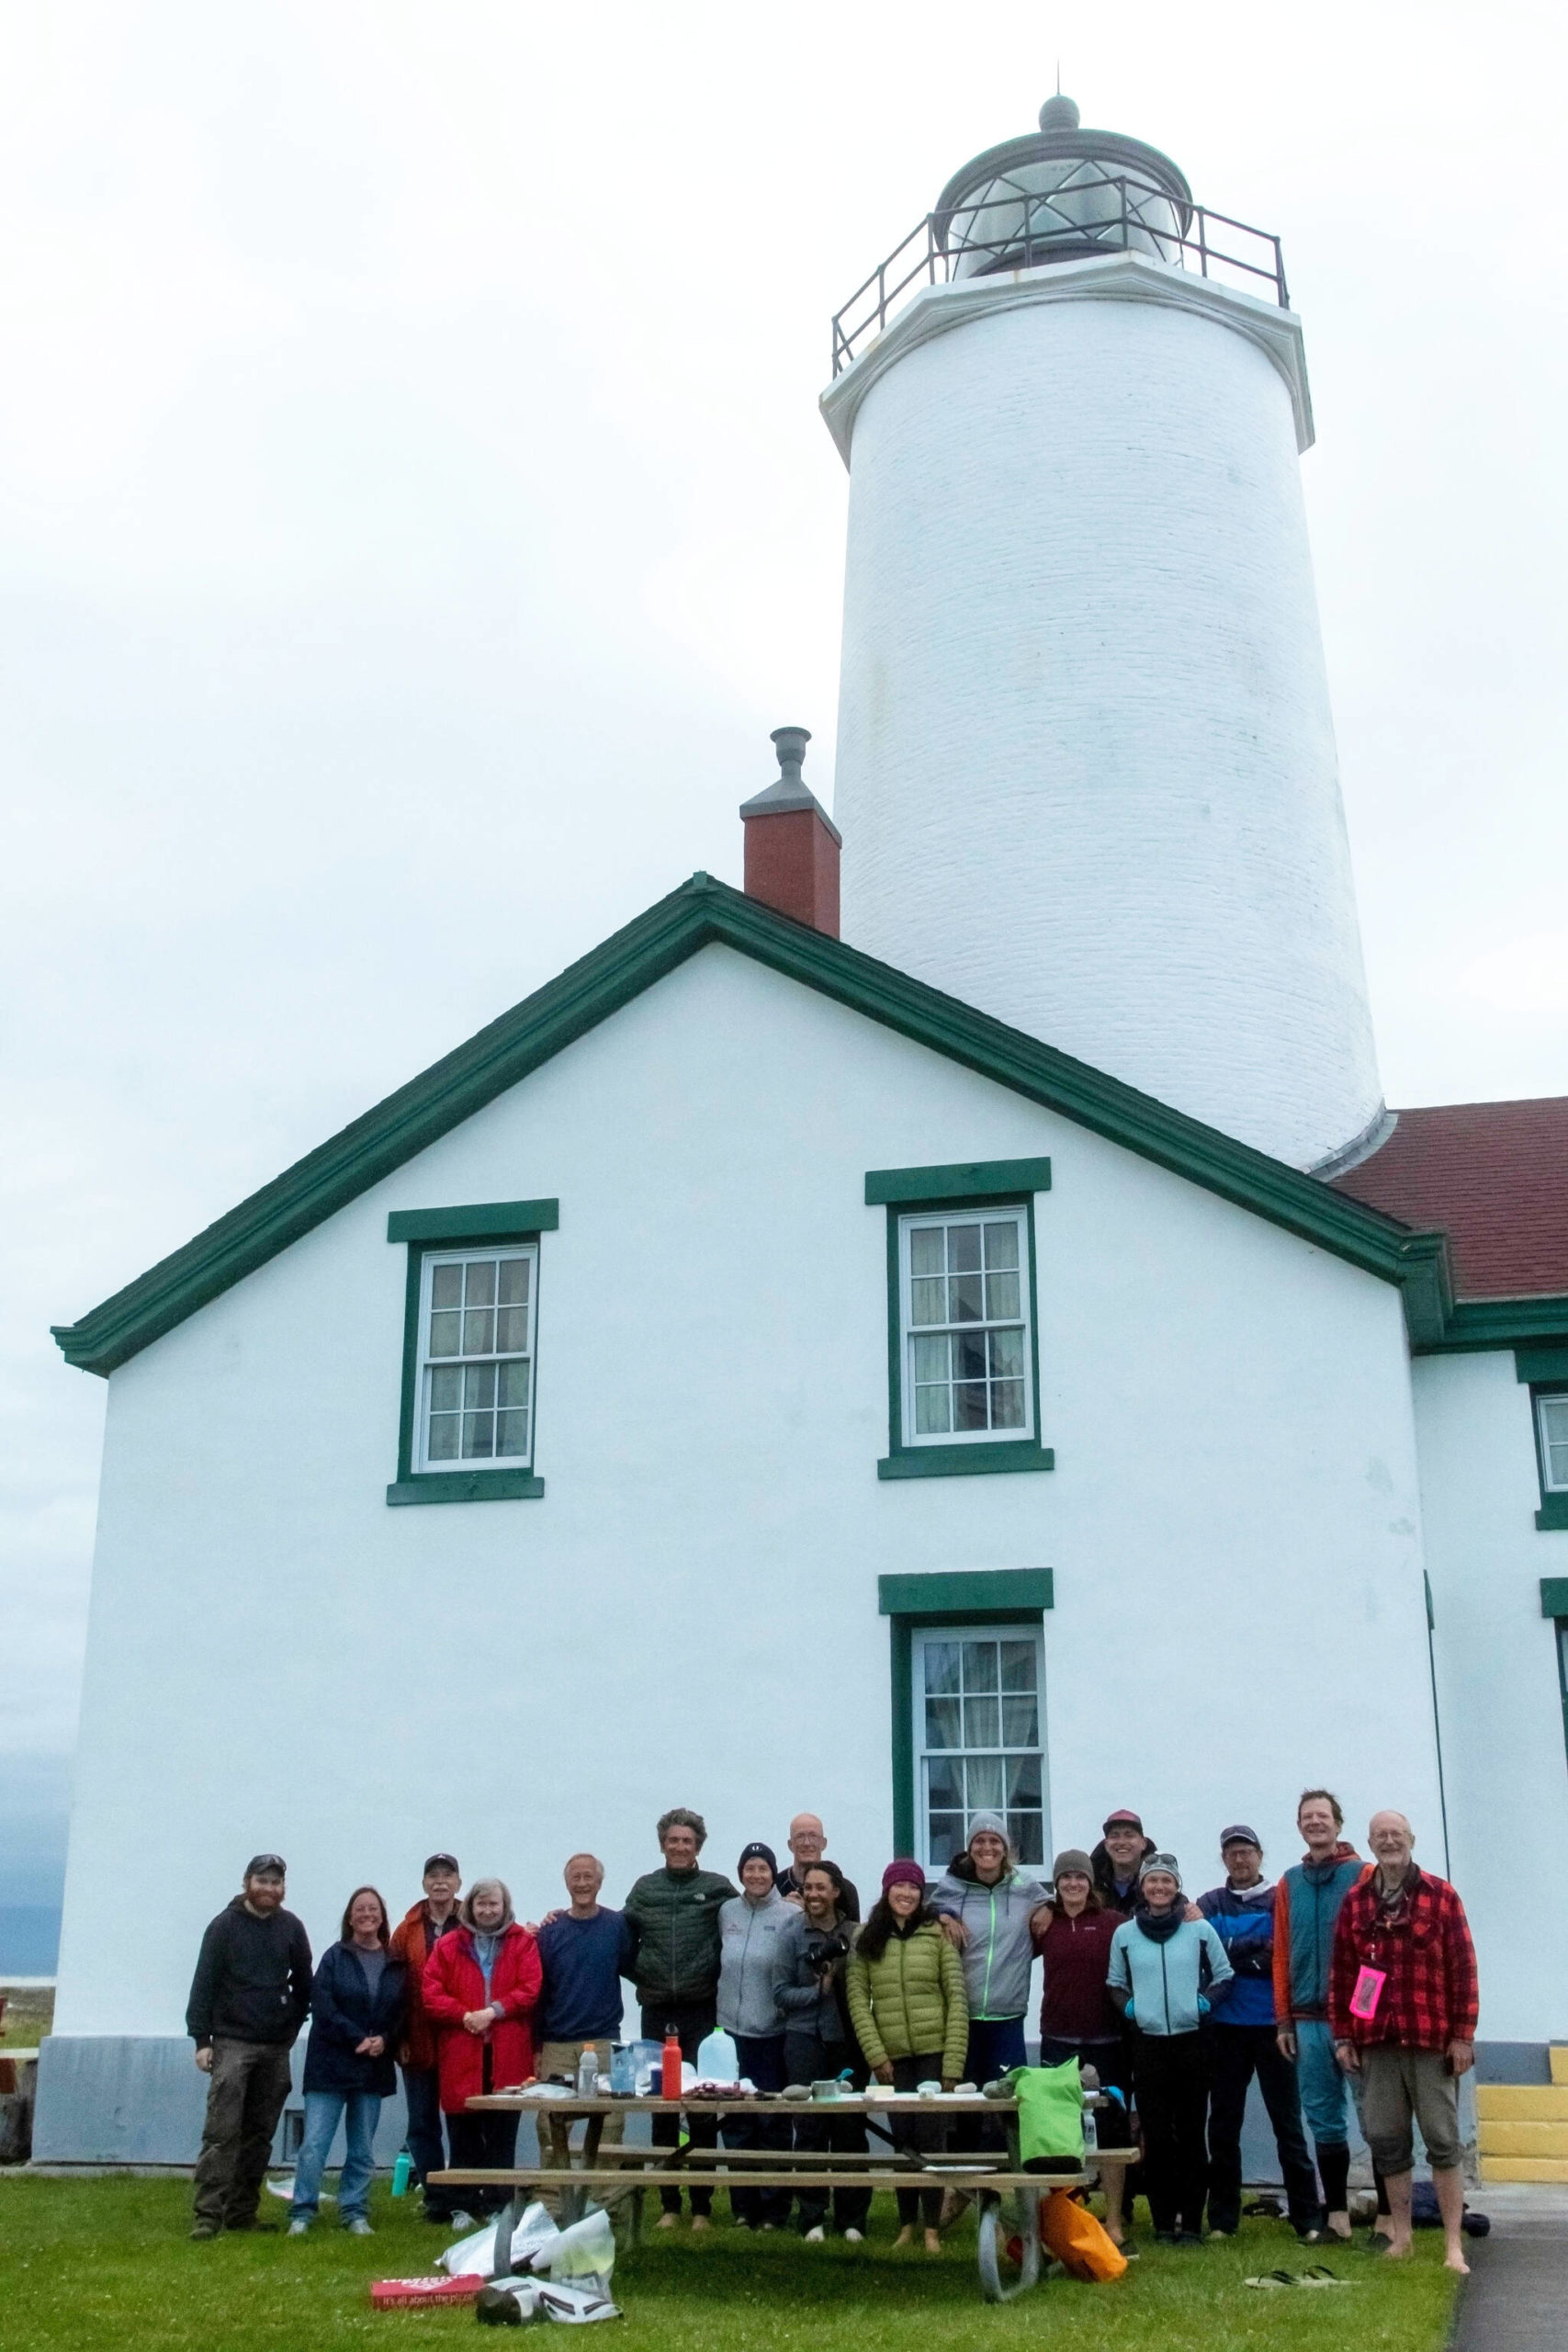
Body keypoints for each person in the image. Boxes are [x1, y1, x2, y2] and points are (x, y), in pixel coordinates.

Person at [1328, 1811, 1479, 2275]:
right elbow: (1342, 1975)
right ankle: (1404, 2239)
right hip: (1377, 2042)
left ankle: (1453, 2245)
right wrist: (1343, 2036)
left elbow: (1464, 1968)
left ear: (1411, 1840)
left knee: (1441, 2140)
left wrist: (1462, 2036)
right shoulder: (1355, 1902)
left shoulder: (1441, 1895)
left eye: (1397, 1834)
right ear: (1370, 1845)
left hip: (1431, 2040)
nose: (1389, 1841)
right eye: (1380, 1836)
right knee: (1388, 2142)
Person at [1198, 1826, 1321, 2240]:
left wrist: (1234, 1952)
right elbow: (1206, 1955)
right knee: (1224, 2127)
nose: (1239, 1859)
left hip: (1274, 2027)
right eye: (1231, 1853)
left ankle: (1307, 2219)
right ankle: (1222, 2221)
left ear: (1259, 1855)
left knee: (1287, 2124)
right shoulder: (1210, 1902)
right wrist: (1248, 1951)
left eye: (1246, 1852)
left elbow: (1279, 1953)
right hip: (1226, 2030)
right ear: (1224, 1859)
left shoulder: (1278, 1898)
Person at [185, 1853, 313, 2240]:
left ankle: (243, 2212)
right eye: (263, 1881)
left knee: (260, 2136)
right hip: (231, 2043)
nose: (269, 1889)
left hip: (275, 2047)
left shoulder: (291, 1927)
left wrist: (292, 2023)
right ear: (247, 1882)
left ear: (283, 1888)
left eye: (276, 1883)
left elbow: (305, 1982)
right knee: (222, 2133)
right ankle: (208, 2215)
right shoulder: (223, 1926)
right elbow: (203, 1982)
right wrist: (201, 2039)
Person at [1108, 1853, 1234, 2245]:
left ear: (1177, 1886)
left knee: (1193, 2136)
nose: (1160, 1888)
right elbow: (1114, 1981)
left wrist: (1204, 2003)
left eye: (1167, 1881)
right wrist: (1130, 2007)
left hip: (1192, 2042)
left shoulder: (1198, 1929)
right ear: (1142, 1888)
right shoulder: (1125, 1934)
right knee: (1157, 2137)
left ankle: (1192, 2223)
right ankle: (1163, 2221)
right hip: (1147, 2045)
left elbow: (1224, 1975)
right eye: (1152, 1881)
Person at [621, 1807, 737, 2231]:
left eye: (687, 1841)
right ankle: (669, 2203)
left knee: (702, 2107)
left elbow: (744, 1921)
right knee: (663, 2108)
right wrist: (644, 1971)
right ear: (662, 1844)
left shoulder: (717, 1887)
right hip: (655, 2010)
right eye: (673, 1840)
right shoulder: (645, 1888)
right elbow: (621, 1937)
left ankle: (702, 2206)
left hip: (701, 2008)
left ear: (698, 1846)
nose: (680, 1847)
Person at [844, 1862, 969, 2254]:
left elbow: (956, 2000)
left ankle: (932, 2227)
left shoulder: (938, 1935)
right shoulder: (866, 1938)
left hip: (934, 2054)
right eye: (899, 1885)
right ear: (886, 1891)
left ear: (921, 1894)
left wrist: (952, 2065)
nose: (907, 1894)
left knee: (931, 2143)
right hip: (892, 2060)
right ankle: (905, 2225)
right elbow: (858, 2002)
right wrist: (876, 2056)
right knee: (902, 2142)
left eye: (913, 1887)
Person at [1272, 1789, 1371, 2241]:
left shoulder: (1363, 1875)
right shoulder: (1289, 1882)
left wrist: (1366, 2015)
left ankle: (1390, 2217)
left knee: (1378, 2117)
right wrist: (1284, 2020)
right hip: (1307, 2020)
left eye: (1323, 1816)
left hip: (1356, 2020)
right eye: (1307, 1817)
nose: (1315, 1823)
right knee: (1323, 2118)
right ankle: (1337, 2217)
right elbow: (1281, 1954)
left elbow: (1377, 1951)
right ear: (1299, 1826)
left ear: (1338, 1823)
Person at [288, 1887, 407, 2236]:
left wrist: (385, 2039)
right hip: (330, 2065)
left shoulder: (394, 1963)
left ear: (382, 1916)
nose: (367, 1914)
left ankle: (354, 2211)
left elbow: (401, 2010)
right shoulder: (334, 1957)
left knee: (362, 2149)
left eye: (373, 1909)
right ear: (350, 1917)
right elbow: (323, 2006)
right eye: (360, 1909)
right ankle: (302, 2211)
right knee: (314, 2145)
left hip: (373, 2066)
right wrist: (357, 2039)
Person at [423, 1879, 542, 2217]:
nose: (488, 1911)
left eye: (494, 1905)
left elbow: (530, 1988)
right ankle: (461, 2206)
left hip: (508, 2052)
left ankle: (497, 2205)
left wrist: (493, 2012)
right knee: (463, 2132)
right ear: (470, 1907)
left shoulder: (522, 1942)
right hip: (462, 2049)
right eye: (481, 1904)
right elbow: (431, 1993)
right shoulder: (448, 1945)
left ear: (505, 1907)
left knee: (503, 2133)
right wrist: (465, 2016)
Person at [1031, 1849, 1128, 2245]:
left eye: (1080, 1878)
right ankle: (1069, 2216)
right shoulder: (1044, 1924)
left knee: (1110, 2131)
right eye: (1066, 1878)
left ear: (1091, 1883)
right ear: (1056, 1884)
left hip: (1108, 2038)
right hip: (1057, 2036)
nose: (1073, 1884)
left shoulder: (1113, 1923)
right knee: (1060, 2132)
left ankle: (1116, 2221)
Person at [775, 1860, 869, 2244]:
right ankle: (811, 2215)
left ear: (835, 1891)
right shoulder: (790, 1934)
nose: (812, 1894)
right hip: (804, 2039)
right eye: (807, 1888)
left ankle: (852, 2218)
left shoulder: (856, 1935)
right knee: (810, 2129)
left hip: (848, 2040)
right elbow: (779, 1993)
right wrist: (818, 1991)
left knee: (850, 2128)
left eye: (820, 1888)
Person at [535, 1853, 634, 2208]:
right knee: (550, 2127)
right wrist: (536, 2047)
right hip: (557, 2042)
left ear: (600, 1882)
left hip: (607, 2040)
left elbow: (628, 1965)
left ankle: (603, 2204)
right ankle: (550, 2206)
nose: (582, 1883)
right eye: (575, 1877)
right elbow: (539, 1991)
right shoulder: (550, 1932)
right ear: (566, 1883)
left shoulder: (617, 1926)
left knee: (610, 2126)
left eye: (588, 1876)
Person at [930, 1811, 1049, 2087]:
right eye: (979, 1840)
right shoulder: (952, 1885)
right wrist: (943, 1915)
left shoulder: (1024, 1885)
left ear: (1005, 1848)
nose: (987, 1847)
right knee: (964, 2103)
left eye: (995, 1841)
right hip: (962, 2016)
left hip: (1008, 2016)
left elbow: (1055, 1901)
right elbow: (926, 1911)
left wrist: (1049, 1909)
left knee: (1006, 2105)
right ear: (970, 1847)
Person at [716, 1843, 795, 2228]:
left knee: (772, 2123)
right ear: (740, 1872)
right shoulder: (727, 1912)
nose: (757, 1875)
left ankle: (775, 2210)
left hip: (772, 2035)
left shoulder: (789, 1914)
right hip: (731, 2035)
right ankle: (744, 2208)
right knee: (737, 2123)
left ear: (773, 1873)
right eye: (750, 1868)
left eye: (763, 1868)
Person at [389, 1853, 465, 2225]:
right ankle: (436, 2198)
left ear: (458, 1883)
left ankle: (465, 2195)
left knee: (463, 2120)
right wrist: (397, 2036)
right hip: (416, 2039)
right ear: (423, 1884)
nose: (440, 1882)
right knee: (422, 2122)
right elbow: (394, 1988)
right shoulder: (407, 1929)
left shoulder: (473, 1921)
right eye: (433, 1876)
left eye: (447, 1875)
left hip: (461, 2039)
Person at [775, 1814, 862, 1919]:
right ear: (790, 1845)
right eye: (800, 1836)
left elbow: (852, 1933)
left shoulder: (844, 1889)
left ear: (824, 1843)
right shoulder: (776, 1885)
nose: (807, 1843)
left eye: (813, 1836)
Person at [1092, 1809, 1156, 1917]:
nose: (1121, 1842)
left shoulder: (1157, 1882)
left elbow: (1176, 1904)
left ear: (1143, 1843)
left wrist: (1191, 1910)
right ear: (1106, 1845)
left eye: (1129, 1835)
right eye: (1114, 1836)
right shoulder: (1091, 1886)